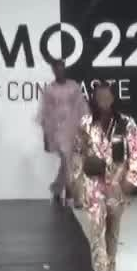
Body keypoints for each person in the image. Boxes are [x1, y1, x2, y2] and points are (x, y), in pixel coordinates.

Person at [72, 82, 137, 271]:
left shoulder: (126, 123)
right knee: (96, 225)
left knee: (113, 226)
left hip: (117, 183)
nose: (103, 101)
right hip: (93, 182)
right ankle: (100, 269)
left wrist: (132, 179)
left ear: (113, 98)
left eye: (106, 97)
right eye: (99, 97)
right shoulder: (85, 124)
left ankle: (110, 267)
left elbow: (136, 151)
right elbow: (76, 153)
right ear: (93, 99)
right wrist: (77, 183)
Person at [38, 60, 88, 207]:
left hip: (73, 128)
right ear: (53, 70)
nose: (60, 71)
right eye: (57, 69)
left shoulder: (73, 86)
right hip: (57, 130)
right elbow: (45, 114)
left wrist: (84, 127)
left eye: (62, 68)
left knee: (69, 162)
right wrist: (45, 136)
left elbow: (82, 107)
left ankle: (56, 188)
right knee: (67, 159)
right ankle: (73, 195)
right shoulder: (49, 90)